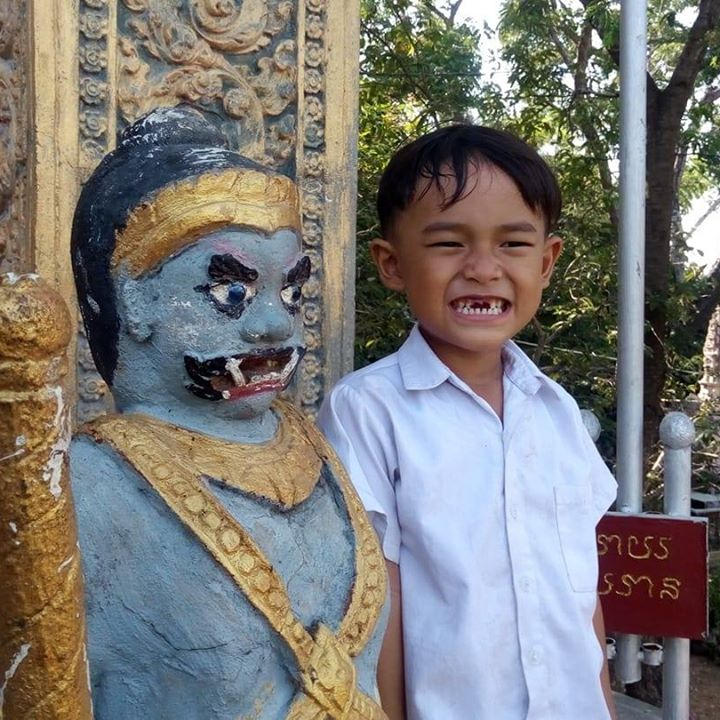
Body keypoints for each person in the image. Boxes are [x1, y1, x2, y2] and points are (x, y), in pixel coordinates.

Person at [70, 106, 388, 720]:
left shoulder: (313, 446)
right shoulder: (89, 485)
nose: (274, 324)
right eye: (231, 292)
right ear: (134, 301)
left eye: (290, 291)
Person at [318, 125, 618, 720]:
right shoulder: (368, 412)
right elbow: (376, 602)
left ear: (547, 262)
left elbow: (582, 596)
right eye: (450, 243)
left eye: (513, 244)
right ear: (391, 263)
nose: (483, 268)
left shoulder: (556, 412)